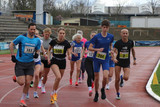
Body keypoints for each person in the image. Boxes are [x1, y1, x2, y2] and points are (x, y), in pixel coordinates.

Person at [10, 23, 41, 106]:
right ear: (28, 29)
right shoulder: (21, 37)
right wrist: (13, 55)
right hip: (20, 63)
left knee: (28, 82)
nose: (32, 31)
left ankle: (22, 100)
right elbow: (11, 44)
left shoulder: (37, 40)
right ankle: (16, 78)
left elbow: (38, 49)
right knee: (21, 83)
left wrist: (37, 54)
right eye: (31, 29)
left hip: (30, 63)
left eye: (34, 29)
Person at [88, 19, 114, 102]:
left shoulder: (110, 36)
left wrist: (112, 50)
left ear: (108, 28)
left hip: (105, 59)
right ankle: (96, 93)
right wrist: (97, 49)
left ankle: (102, 89)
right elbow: (89, 47)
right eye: (104, 27)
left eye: (106, 27)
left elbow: (110, 45)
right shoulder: (96, 37)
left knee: (106, 76)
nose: (105, 29)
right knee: (96, 77)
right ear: (101, 27)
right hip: (96, 59)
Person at [47, 27, 71, 104]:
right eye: (60, 33)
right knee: (58, 77)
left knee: (58, 79)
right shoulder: (53, 41)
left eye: (63, 33)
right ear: (58, 33)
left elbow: (69, 51)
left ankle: (54, 92)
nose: (62, 35)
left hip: (62, 61)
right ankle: (54, 93)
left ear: (65, 34)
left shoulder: (66, 43)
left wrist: (69, 55)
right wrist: (48, 58)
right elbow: (49, 50)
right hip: (54, 60)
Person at [112, 29, 136, 100]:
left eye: (126, 33)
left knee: (126, 78)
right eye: (123, 33)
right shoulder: (118, 43)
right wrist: (114, 58)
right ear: (121, 34)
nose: (125, 35)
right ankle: (117, 93)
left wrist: (134, 59)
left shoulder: (131, 42)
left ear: (128, 34)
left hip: (126, 62)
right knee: (117, 79)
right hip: (118, 62)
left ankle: (122, 78)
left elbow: (133, 50)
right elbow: (113, 51)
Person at [84, 31, 97, 96]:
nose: (93, 36)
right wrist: (83, 54)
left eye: (94, 35)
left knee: (94, 75)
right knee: (90, 74)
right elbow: (83, 50)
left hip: (95, 61)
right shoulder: (87, 43)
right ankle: (90, 89)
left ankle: (93, 82)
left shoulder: (98, 43)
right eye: (92, 35)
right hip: (88, 60)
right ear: (90, 36)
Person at [40, 28, 52, 94]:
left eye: (48, 34)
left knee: (46, 74)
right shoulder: (40, 40)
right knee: (41, 70)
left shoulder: (51, 41)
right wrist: (43, 51)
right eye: (45, 34)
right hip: (40, 58)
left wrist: (47, 53)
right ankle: (39, 80)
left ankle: (43, 85)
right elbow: (38, 49)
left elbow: (51, 50)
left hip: (48, 59)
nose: (47, 35)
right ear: (43, 34)